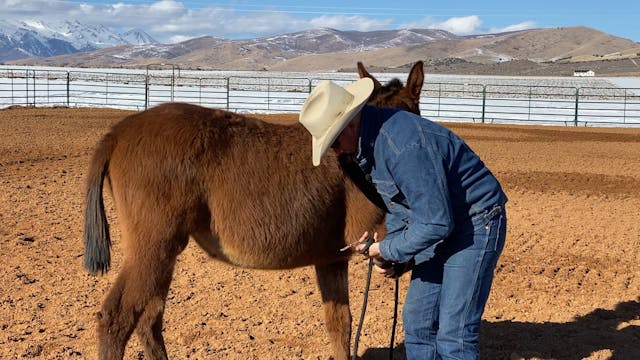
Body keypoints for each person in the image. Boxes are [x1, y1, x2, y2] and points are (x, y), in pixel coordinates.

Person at [299, 78, 508, 359]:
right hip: (440, 222)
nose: (334, 151)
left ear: (349, 124)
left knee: (454, 335)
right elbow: (401, 205)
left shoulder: (401, 145)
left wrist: (385, 249)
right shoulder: (365, 148)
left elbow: (436, 221)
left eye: (333, 142)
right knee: (418, 323)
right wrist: (397, 256)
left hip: (475, 221)